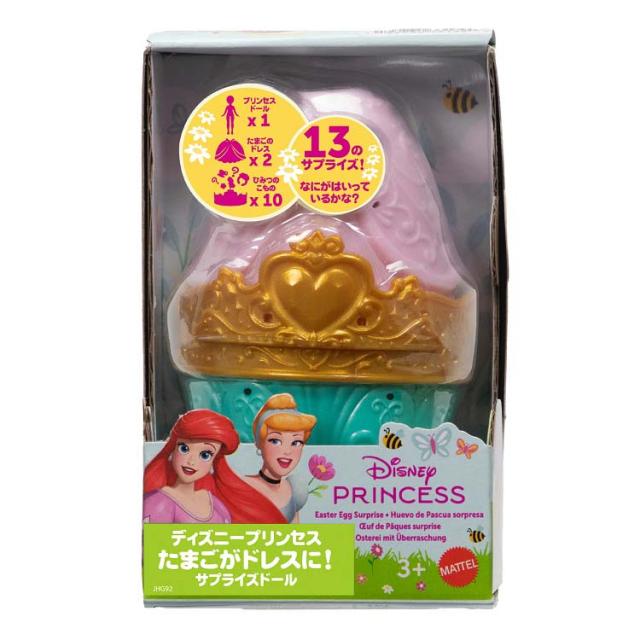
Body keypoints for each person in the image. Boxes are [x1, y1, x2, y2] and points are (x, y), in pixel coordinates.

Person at [242, 394, 317, 523]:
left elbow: (297, 532)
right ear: (260, 443)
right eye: (275, 441)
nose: (287, 451)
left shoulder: (294, 489)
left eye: (296, 442)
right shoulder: (243, 485)